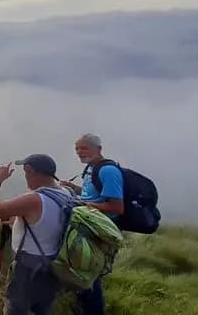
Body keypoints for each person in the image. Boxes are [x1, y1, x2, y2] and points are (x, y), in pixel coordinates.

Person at [0, 154, 72, 315]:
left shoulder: (34, 199)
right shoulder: (66, 193)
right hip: (54, 263)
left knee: (15, 308)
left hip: (28, 265)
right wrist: (16, 222)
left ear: (30, 171)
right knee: (41, 309)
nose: (25, 177)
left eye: (25, 173)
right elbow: (45, 223)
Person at [60, 133, 124, 315]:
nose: (79, 152)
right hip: (87, 227)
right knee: (80, 270)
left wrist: (84, 204)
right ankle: (79, 307)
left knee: (89, 274)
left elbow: (116, 206)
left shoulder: (108, 171)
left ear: (99, 149)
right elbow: (95, 195)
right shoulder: (91, 168)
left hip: (98, 232)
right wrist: (75, 190)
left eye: (84, 148)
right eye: (77, 149)